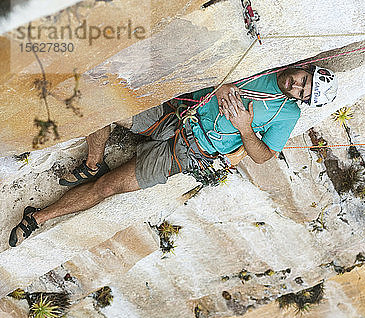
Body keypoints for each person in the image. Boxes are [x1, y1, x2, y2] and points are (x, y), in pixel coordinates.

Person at [8, 64, 337, 246]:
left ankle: (36, 217)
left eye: (301, 92)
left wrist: (246, 127)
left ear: (301, 101)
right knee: (104, 109)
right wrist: (219, 84)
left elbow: (263, 157)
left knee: (109, 188)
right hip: (176, 114)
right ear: (306, 68)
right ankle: (92, 163)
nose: (295, 85)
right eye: (303, 80)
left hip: (189, 152)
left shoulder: (286, 115)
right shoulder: (268, 63)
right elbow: (205, 63)